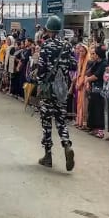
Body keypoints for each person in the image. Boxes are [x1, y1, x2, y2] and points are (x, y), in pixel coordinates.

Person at [36, 15, 77, 171]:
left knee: (46, 122)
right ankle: (66, 144)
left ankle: (48, 155)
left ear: (48, 29)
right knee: (61, 120)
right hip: (62, 89)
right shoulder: (67, 46)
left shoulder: (46, 46)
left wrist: (39, 83)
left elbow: (41, 69)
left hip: (48, 90)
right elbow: (74, 65)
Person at [86, 46, 108, 138]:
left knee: (99, 110)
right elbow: (89, 72)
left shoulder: (104, 64)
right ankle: (94, 128)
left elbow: (96, 76)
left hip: (100, 90)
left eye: (94, 54)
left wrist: (87, 80)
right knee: (92, 108)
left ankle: (100, 130)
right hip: (93, 88)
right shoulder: (95, 63)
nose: (92, 55)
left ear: (98, 55)